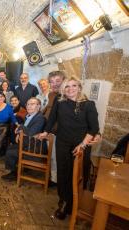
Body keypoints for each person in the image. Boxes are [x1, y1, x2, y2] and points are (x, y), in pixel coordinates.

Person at [38, 77, 100, 220]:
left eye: (73, 86)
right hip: (63, 143)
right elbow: (52, 119)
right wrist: (45, 132)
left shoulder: (89, 104)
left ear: (79, 87)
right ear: (63, 90)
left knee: (78, 174)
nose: (70, 89)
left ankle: (75, 203)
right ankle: (64, 202)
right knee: (63, 173)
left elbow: (94, 128)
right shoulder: (60, 103)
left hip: (81, 145)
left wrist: (83, 145)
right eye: (67, 87)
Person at [2, 97, 46, 180]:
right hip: (27, 143)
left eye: (32, 104)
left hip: (34, 149)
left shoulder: (40, 118)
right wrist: (19, 132)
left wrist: (20, 128)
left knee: (11, 152)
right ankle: (17, 170)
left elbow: (31, 133)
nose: (29, 106)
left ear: (38, 106)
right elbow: (25, 128)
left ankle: (14, 174)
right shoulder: (29, 116)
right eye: (28, 104)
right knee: (10, 148)